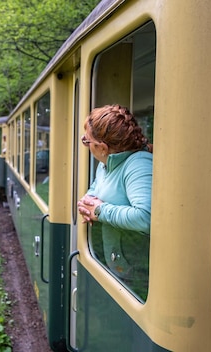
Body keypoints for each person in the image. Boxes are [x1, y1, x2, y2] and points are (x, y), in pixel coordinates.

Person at [77, 104, 153, 297]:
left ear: (102, 148)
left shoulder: (139, 164)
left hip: (137, 272)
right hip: (116, 265)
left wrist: (101, 211)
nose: (85, 144)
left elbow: (146, 217)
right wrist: (87, 206)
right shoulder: (105, 165)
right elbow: (92, 197)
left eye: (87, 141)